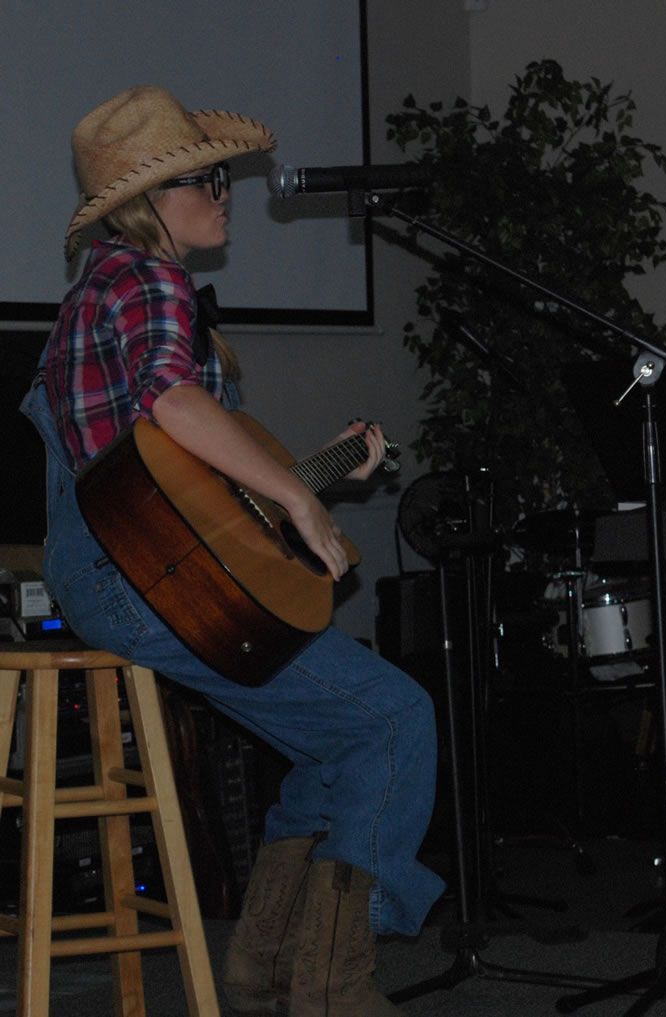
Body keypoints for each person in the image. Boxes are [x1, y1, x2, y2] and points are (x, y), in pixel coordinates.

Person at [22, 85, 444, 1017]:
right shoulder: (148, 280)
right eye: (207, 180)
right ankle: (334, 981)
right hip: (146, 580)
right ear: (147, 204)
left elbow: (182, 483)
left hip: (122, 570)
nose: (225, 193)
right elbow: (173, 402)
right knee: (395, 715)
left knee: (331, 750)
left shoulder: (97, 292)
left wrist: (322, 468)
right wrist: (299, 493)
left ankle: (263, 965)